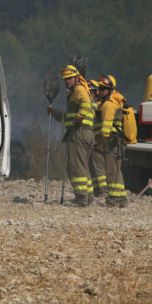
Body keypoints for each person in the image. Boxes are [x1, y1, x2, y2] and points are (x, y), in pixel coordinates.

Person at [48, 65, 95, 206]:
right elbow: (67, 118)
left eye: (69, 78)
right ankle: (88, 197)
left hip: (78, 133)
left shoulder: (78, 90)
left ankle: (81, 199)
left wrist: (80, 117)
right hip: (86, 133)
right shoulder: (78, 90)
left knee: (76, 167)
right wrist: (54, 113)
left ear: (76, 78)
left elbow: (86, 104)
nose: (67, 82)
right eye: (65, 79)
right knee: (83, 166)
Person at [95, 75, 128, 207]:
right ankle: (121, 198)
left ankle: (113, 199)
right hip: (116, 141)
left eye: (103, 89)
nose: (100, 91)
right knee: (116, 170)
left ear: (110, 90)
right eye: (99, 88)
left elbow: (106, 129)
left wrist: (100, 144)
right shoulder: (110, 103)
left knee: (111, 170)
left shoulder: (108, 105)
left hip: (111, 141)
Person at [88, 80, 107, 197]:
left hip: (100, 139)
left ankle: (103, 190)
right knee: (92, 165)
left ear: (96, 92)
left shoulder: (99, 105)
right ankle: (97, 190)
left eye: (90, 91)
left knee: (98, 165)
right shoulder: (96, 103)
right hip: (93, 138)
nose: (89, 94)